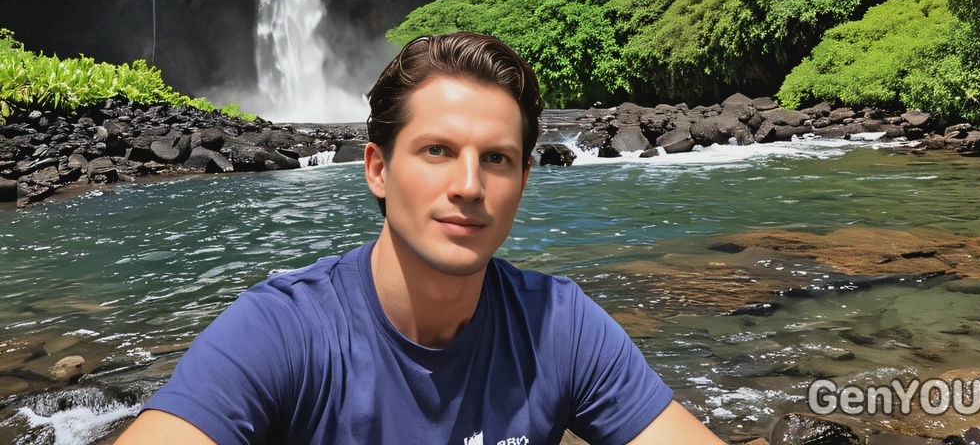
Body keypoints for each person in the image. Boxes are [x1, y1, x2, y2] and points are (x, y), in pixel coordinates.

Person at [115, 32, 728, 445]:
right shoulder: (283, 332)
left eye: (496, 158)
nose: (468, 185)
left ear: (523, 179)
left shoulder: (557, 327)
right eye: (436, 150)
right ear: (377, 169)